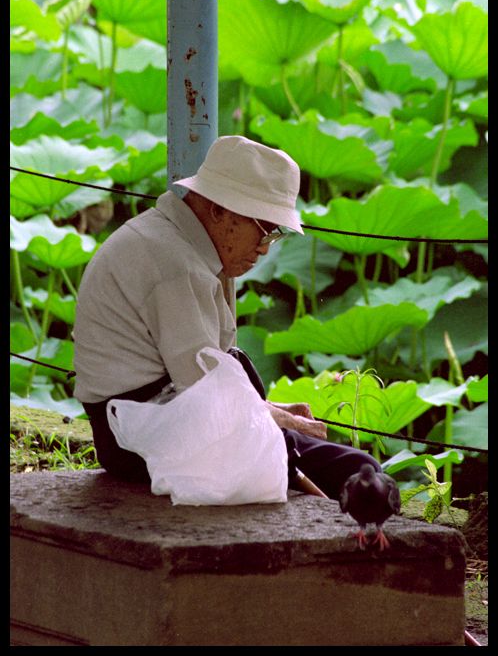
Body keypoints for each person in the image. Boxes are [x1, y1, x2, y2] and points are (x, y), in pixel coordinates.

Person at [73, 135, 380, 498]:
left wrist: (272, 411)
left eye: (276, 233)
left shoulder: (170, 240)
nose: (265, 249)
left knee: (354, 469)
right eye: (264, 229)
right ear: (219, 211)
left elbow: (201, 388)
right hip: (141, 441)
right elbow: (207, 397)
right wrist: (279, 419)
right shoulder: (176, 266)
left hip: (147, 425)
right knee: (358, 472)